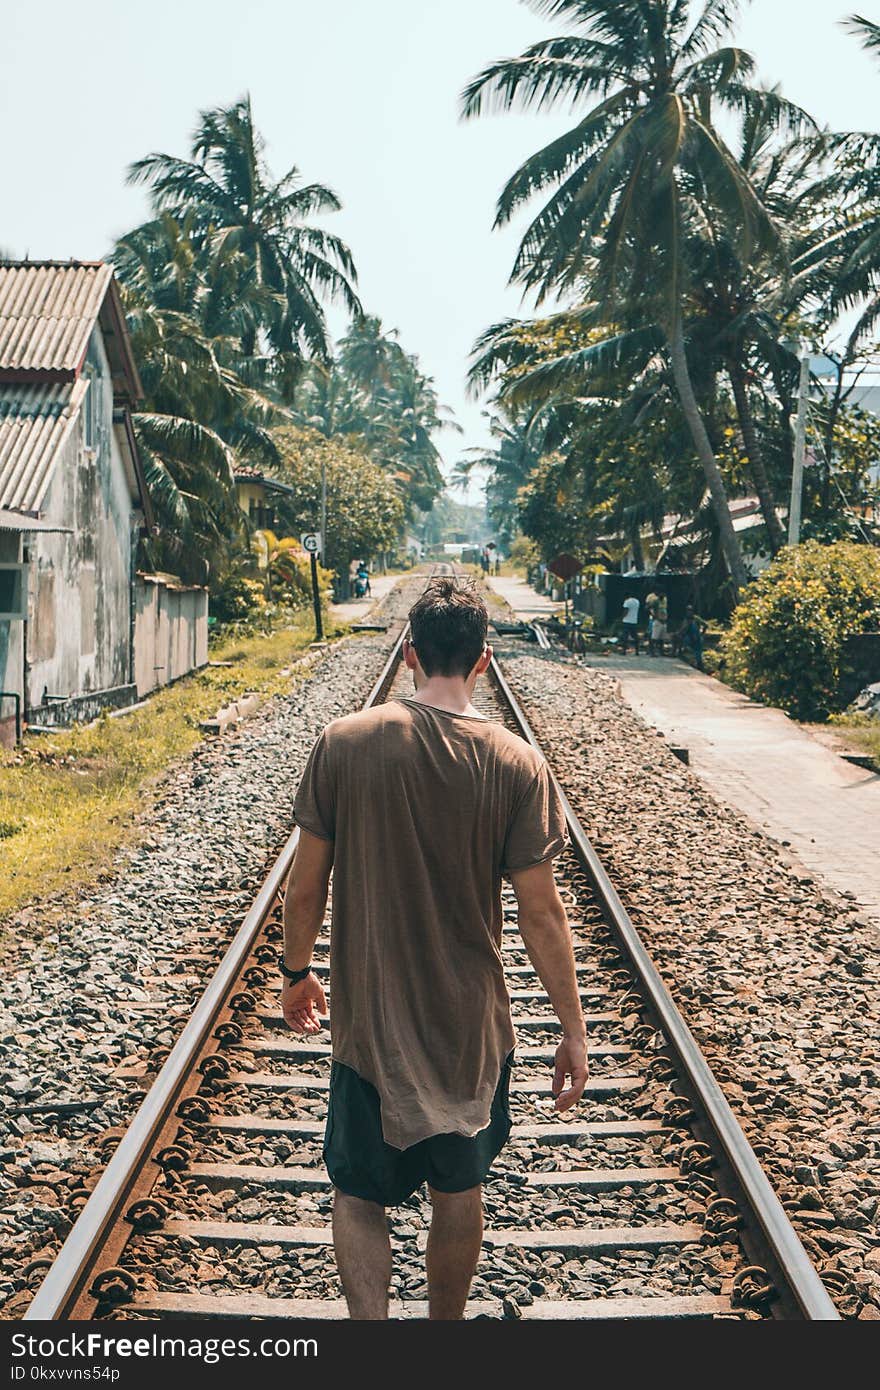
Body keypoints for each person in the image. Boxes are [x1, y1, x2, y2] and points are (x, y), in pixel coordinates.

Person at [281, 579, 587, 1320]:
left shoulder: (345, 741)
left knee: (358, 1192)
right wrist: (573, 1030)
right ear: (482, 662)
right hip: (469, 1029)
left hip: (371, 1029)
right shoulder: (516, 762)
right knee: (460, 1187)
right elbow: (542, 916)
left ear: (409, 654)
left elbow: (304, 885)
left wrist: (297, 974)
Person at [676, 605, 705, 671]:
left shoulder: (696, 618)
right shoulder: (686, 619)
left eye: (691, 610)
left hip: (697, 637)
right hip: (689, 637)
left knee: (698, 653)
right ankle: (681, 653)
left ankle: (699, 666)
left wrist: (702, 634)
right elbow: (683, 629)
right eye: (688, 610)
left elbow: (705, 625)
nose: (689, 612)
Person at [649, 592, 668, 657]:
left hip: (664, 621)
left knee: (662, 638)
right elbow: (650, 608)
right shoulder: (656, 601)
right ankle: (652, 652)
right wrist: (656, 617)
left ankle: (661, 651)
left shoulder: (665, 600)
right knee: (654, 638)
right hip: (658, 621)